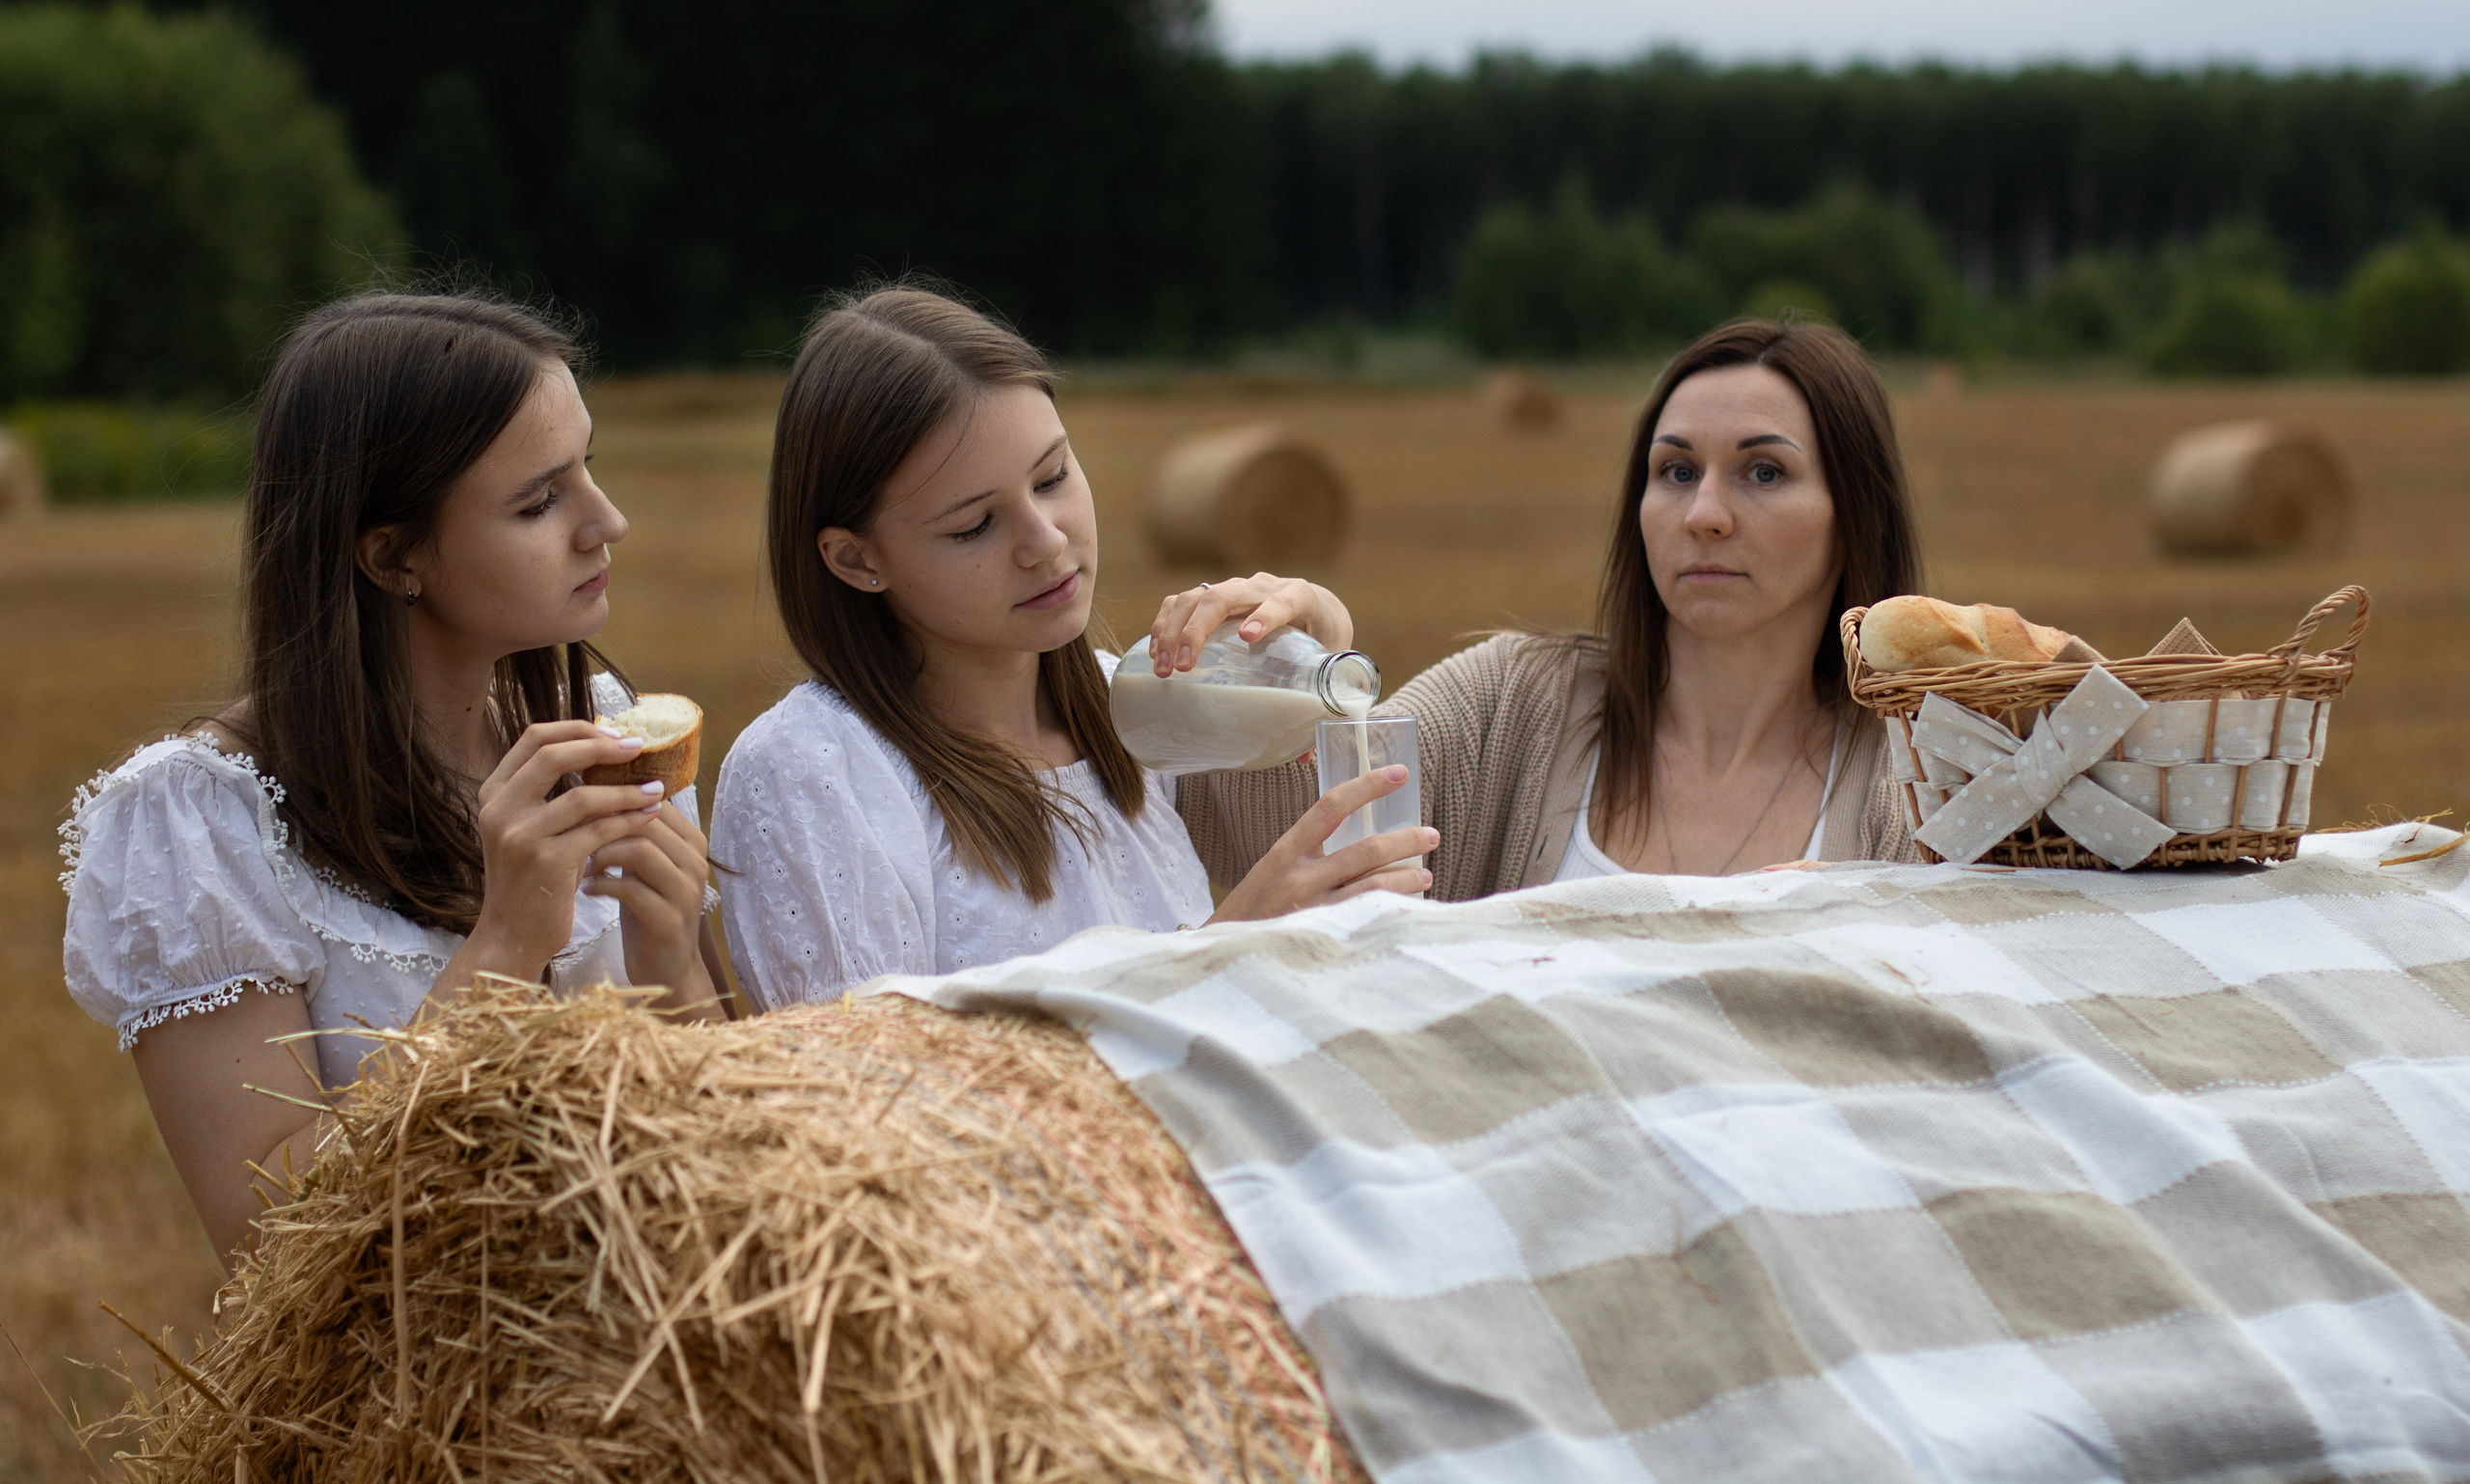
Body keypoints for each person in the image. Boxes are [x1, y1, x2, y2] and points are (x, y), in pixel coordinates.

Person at [59, 292, 725, 1268]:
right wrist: (502, 949)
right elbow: (268, 1246)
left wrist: (676, 967)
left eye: (590, 467)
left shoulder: (604, 728)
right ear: (393, 554)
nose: (607, 522)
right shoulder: (198, 820)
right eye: (539, 502)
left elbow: (726, 1158)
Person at [712, 285, 1433, 1009]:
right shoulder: (812, 771)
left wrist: (1313, 657)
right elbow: (871, 1075)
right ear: (855, 558)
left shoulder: (1137, 703)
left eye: (1052, 476)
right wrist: (1224, 949)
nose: (1046, 539)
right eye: (974, 526)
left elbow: (1316, 834)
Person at [1165, 316, 1926, 895]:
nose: (1704, 514)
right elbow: (1287, 836)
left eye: (1764, 472)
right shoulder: (1515, 703)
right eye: (1676, 470)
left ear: (1856, 513)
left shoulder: (1921, 787)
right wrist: (1301, 677)